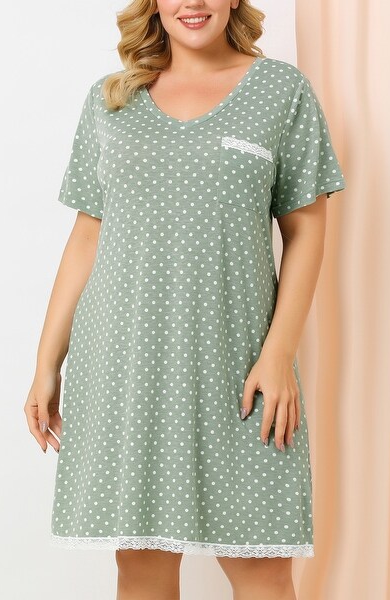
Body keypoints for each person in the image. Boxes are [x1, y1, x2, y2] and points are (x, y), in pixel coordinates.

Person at [24, 1, 346, 598]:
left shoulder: (281, 91)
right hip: (124, 364)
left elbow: (306, 228)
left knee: (264, 572)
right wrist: (47, 363)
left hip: (240, 365)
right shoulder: (111, 100)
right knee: (142, 566)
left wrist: (279, 354)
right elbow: (88, 236)